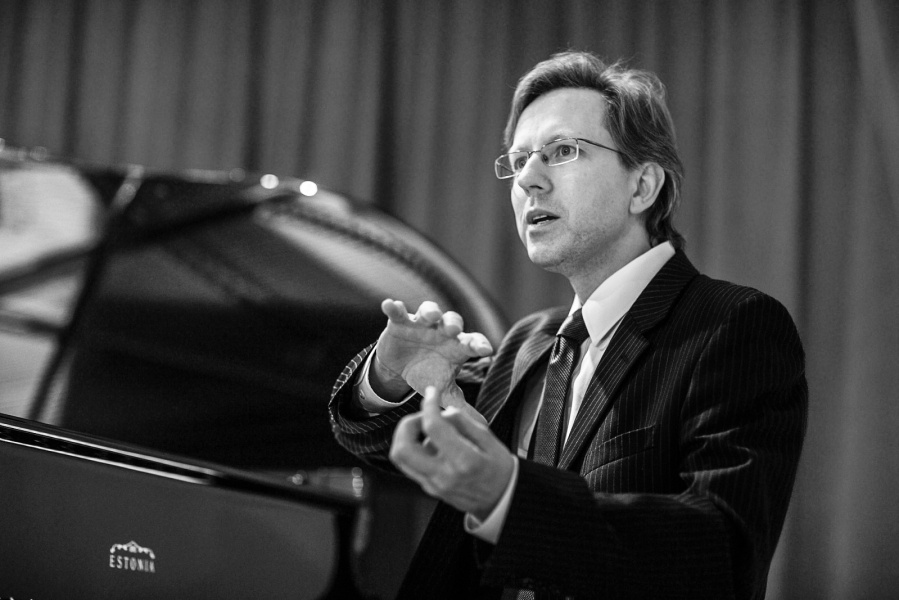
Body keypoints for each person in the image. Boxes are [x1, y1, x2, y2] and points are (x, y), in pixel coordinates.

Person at [329, 51, 807, 599]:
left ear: (642, 186)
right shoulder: (528, 343)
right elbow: (383, 447)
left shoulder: (732, 326)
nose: (529, 179)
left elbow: (722, 550)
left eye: (562, 152)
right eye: (519, 159)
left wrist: (508, 498)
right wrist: (390, 380)